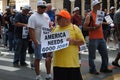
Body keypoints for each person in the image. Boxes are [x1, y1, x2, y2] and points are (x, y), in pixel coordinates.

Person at [53, 9, 85, 80]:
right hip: (58, 64)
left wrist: (74, 41)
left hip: (72, 64)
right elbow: (51, 44)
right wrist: (48, 55)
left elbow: (82, 42)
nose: (58, 21)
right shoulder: (56, 29)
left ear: (67, 19)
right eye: (58, 19)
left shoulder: (74, 28)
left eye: (59, 19)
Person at [83, 0, 112, 75]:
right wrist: (93, 28)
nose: (100, 6)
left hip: (101, 37)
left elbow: (99, 22)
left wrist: (106, 23)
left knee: (105, 54)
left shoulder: (100, 14)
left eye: (100, 5)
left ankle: (104, 68)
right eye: (98, 5)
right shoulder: (89, 15)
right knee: (92, 56)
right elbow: (85, 27)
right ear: (94, 6)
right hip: (93, 38)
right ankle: (92, 69)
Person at [28, 0, 52, 80]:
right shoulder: (33, 17)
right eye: (42, 7)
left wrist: (51, 27)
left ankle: (48, 74)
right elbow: (31, 30)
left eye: (44, 7)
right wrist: (35, 42)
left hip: (46, 42)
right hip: (38, 42)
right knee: (38, 58)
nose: (43, 9)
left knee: (48, 58)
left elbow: (49, 25)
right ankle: (38, 75)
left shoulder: (46, 15)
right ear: (37, 7)